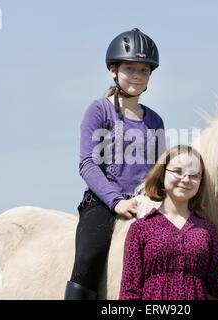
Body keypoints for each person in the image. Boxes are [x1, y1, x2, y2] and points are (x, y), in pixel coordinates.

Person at [64, 28, 166, 299]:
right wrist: (116, 201)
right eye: (130, 68)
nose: (137, 75)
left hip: (146, 204)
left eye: (144, 70)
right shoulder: (99, 110)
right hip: (103, 203)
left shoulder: (155, 120)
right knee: (89, 257)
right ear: (113, 70)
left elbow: (158, 172)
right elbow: (87, 164)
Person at [119, 145, 218, 300]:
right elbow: (130, 291)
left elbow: (216, 286)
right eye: (178, 171)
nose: (186, 179)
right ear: (162, 175)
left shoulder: (206, 229)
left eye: (194, 175)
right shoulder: (140, 228)